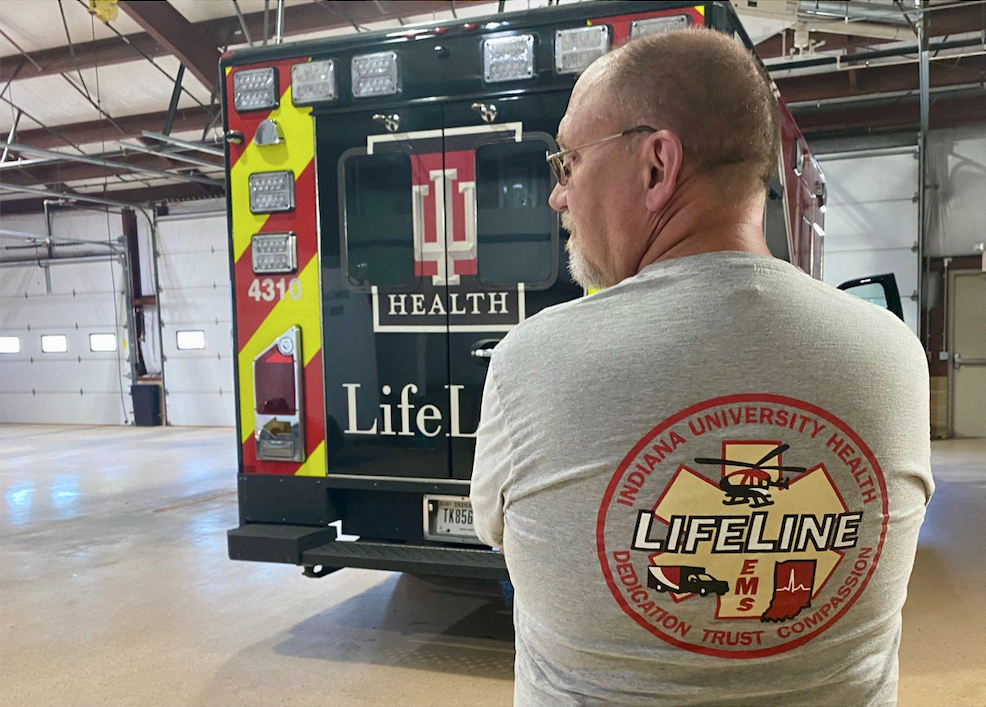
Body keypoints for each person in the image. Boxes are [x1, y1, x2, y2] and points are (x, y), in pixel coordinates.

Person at [470, 27, 933, 707]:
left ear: (657, 166)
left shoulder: (530, 363)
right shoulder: (891, 353)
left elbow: (516, 546)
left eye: (568, 160)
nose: (558, 195)